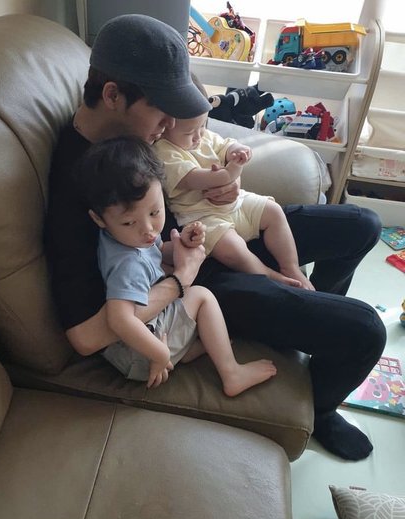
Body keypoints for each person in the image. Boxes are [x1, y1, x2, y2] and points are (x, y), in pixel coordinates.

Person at [45, 13, 387, 461]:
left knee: (363, 225)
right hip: (203, 286)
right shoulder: (78, 185)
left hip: (208, 230)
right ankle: (321, 407)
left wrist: (225, 181)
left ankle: (312, 311)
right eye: (162, 111)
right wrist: (180, 281)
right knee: (365, 331)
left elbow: (193, 151)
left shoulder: (134, 130)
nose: (170, 124)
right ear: (112, 95)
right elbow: (84, 336)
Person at [76, 135, 277, 392]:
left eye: (155, 212)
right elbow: (119, 320)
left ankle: (186, 349)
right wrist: (159, 354)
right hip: (142, 352)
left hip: (138, 345)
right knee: (201, 296)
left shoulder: (125, 237)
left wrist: (182, 243)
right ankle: (231, 373)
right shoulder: (127, 264)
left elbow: (158, 252)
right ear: (98, 219)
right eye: (129, 222)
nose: (148, 230)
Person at [155, 110, 314, 290]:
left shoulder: (204, 136)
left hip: (237, 203)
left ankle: (290, 267)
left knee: (274, 211)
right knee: (231, 249)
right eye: (189, 133)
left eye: (202, 126)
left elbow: (226, 145)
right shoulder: (164, 151)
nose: (198, 136)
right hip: (202, 217)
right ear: (165, 128)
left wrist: (237, 151)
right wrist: (234, 170)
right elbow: (198, 179)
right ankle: (268, 274)